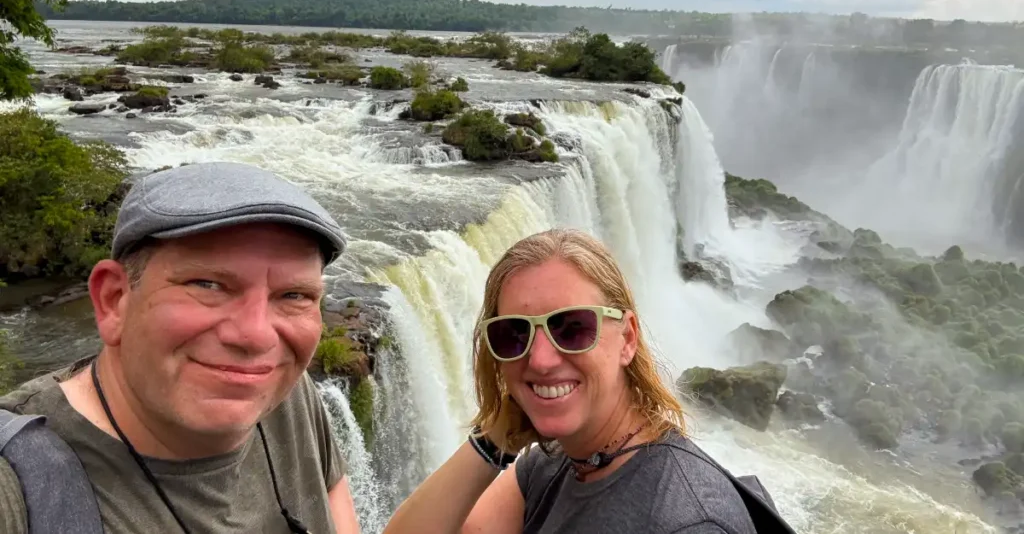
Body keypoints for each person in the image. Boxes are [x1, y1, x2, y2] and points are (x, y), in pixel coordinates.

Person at [0, 162, 362, 534]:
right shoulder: (18, 480)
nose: (257, 337)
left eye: (294, 295)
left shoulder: (285, 396)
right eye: (207, 284)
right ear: (114, 300)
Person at [382, 228, 791, 534]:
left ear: (627, 338)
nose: (540, 360)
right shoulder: (555, 464)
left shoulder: (687, 521)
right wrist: (494, 442)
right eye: (514, 334)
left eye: (572, 328)